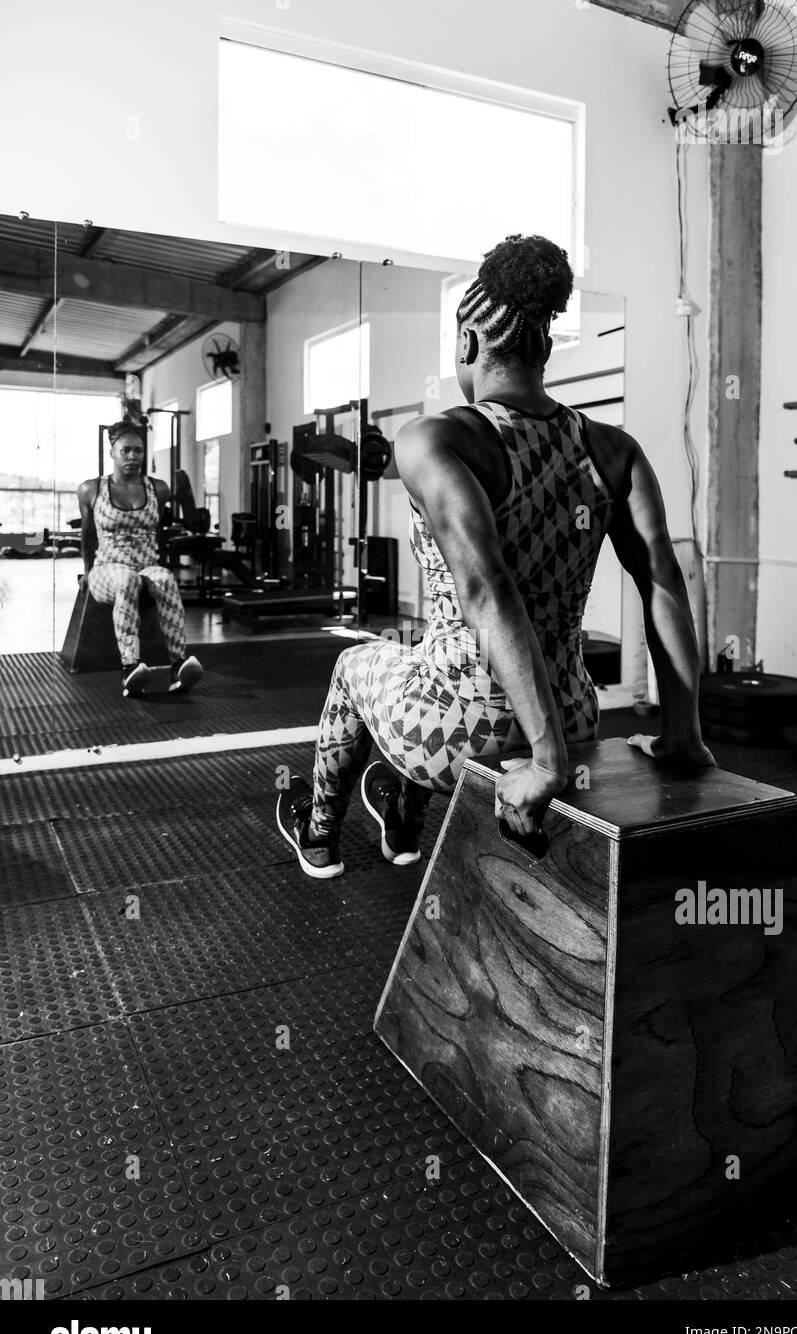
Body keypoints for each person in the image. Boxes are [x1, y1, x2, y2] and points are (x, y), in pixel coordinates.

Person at [276, 233, 714, 879]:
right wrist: (682, 734)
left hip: (466, 735)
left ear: (467, 342)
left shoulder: (436, 438)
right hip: (572, 718)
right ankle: (402, 825)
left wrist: (545, 765)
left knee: (355, 664)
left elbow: (487, 595)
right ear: (543, 345)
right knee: (413, 658)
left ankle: (318, 839)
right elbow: (664, 584)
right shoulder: (613, 448)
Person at [77, 422, 203, 697]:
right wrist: (86, 571)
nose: (132, 456)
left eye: (138, 451)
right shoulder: (91, 489)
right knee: (127, 580)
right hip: (107, 569)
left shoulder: (158, 489)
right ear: (112, 452)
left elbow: (156, 531)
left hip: (146, 565)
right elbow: (87, 535)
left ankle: (179, 664)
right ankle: (130, 665)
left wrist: (155, 561)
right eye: (126, 450)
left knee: (166, 579)